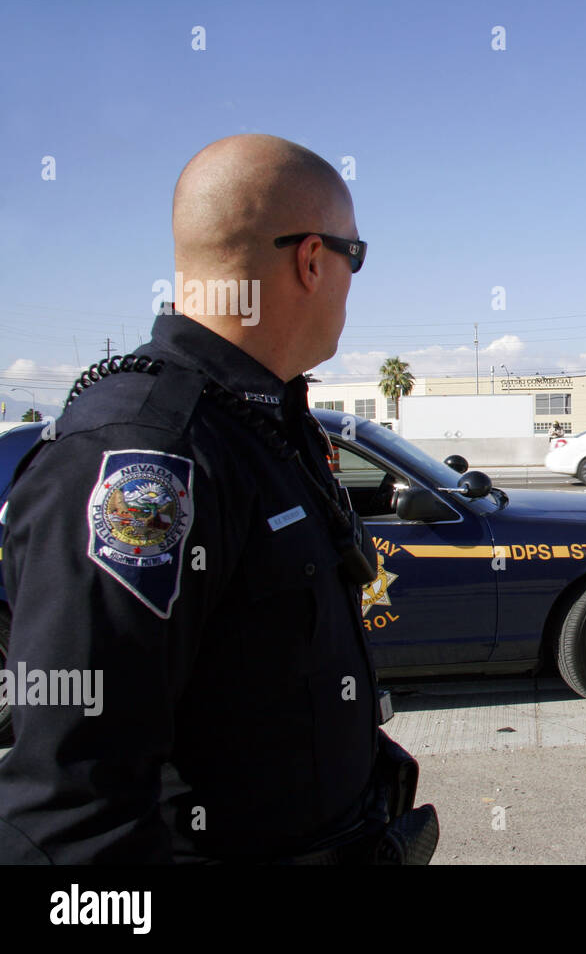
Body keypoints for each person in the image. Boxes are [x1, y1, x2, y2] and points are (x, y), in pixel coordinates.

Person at [0, 134, 436, 864]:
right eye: (353, 258)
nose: (353, 281)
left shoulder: (262, 422)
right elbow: (71, 817)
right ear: (310, 260)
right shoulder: (150, 454)